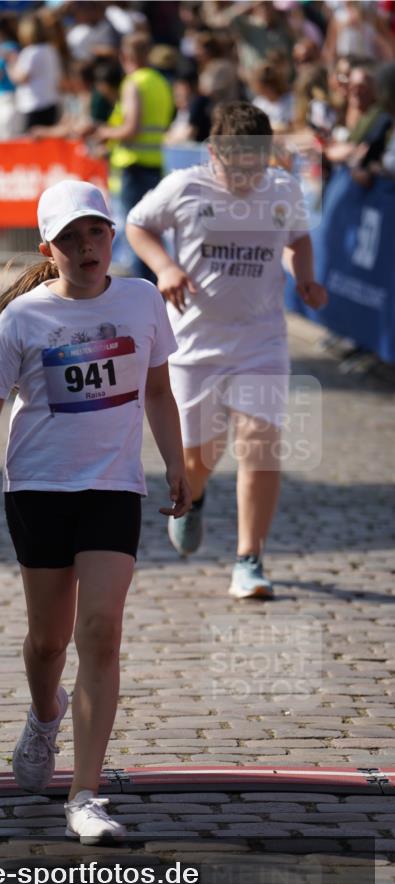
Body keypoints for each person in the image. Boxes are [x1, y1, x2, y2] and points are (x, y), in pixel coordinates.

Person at [0, 179, 191, 842]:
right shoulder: (24, 320)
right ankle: (45, 715)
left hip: (112, 488)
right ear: (48, 248)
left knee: (99, 633)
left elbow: (157, 390)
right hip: (38, 489)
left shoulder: (140, 301)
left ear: (110, 234)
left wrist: (177, 465)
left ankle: (85, 794)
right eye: (68, 238)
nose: (84, 246)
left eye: (95, 232)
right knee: (48, 642)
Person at [126, 102, 328, 599]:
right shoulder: (185, 186)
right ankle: (192, 500)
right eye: (234, 165)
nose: (244, 176)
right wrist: (165, 268)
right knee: (200, 457)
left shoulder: (282, 188)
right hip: (195, 342)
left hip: (261, 339)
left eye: (254, 165)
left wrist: (305, 278)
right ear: (213, 152)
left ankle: (249, 559)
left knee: (260, 443)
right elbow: (137, 224)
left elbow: (299, 239)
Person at [95, 32, 174, 281]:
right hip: (155, 164)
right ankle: (153, 291)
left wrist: (104, 132)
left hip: (134, 166)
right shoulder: (160, 81)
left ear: (125, 56)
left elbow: (131, 128)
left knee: (137, 232)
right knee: (151, 233)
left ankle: (144, 293)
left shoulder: (133, 82)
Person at [7, 13, 62, 130]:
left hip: (33, 104)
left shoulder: (30, 52)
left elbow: (21, 78)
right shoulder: (51, 49)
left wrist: (11, 63)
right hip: (51, 101)